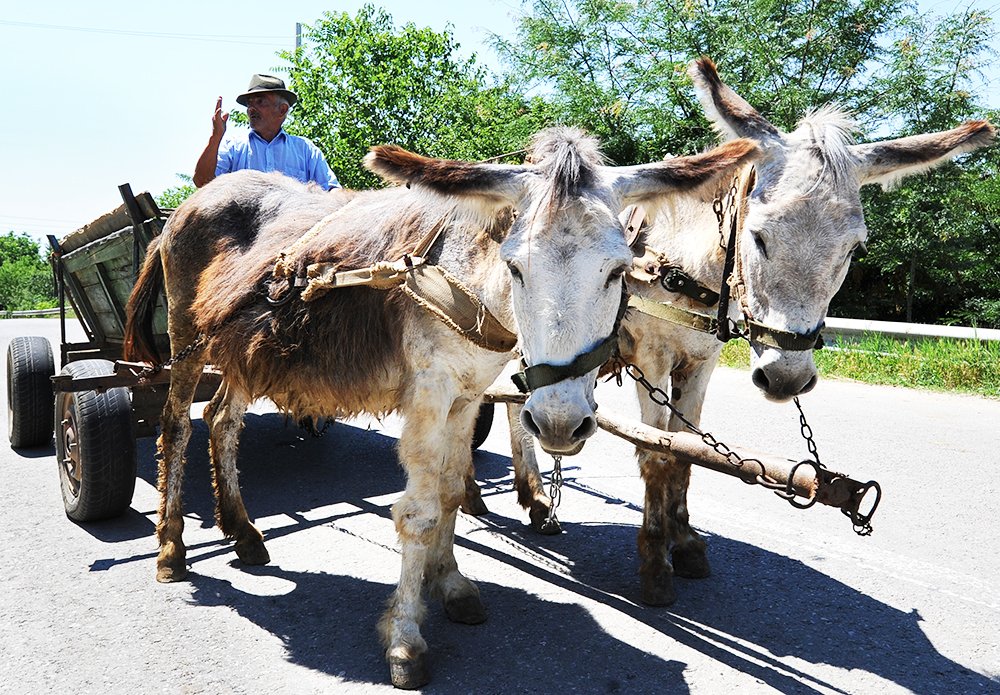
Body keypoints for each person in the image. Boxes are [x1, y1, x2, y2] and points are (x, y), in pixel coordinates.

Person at [193, 73, 340, 190]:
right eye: (249, 104)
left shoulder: (306, 150)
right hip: (243, 227)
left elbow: (332, 189)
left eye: (260, 101)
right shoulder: (234, 147)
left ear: (282, 110)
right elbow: (202, 182)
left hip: (293, 227)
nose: (251, 108)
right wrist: (216, 136)